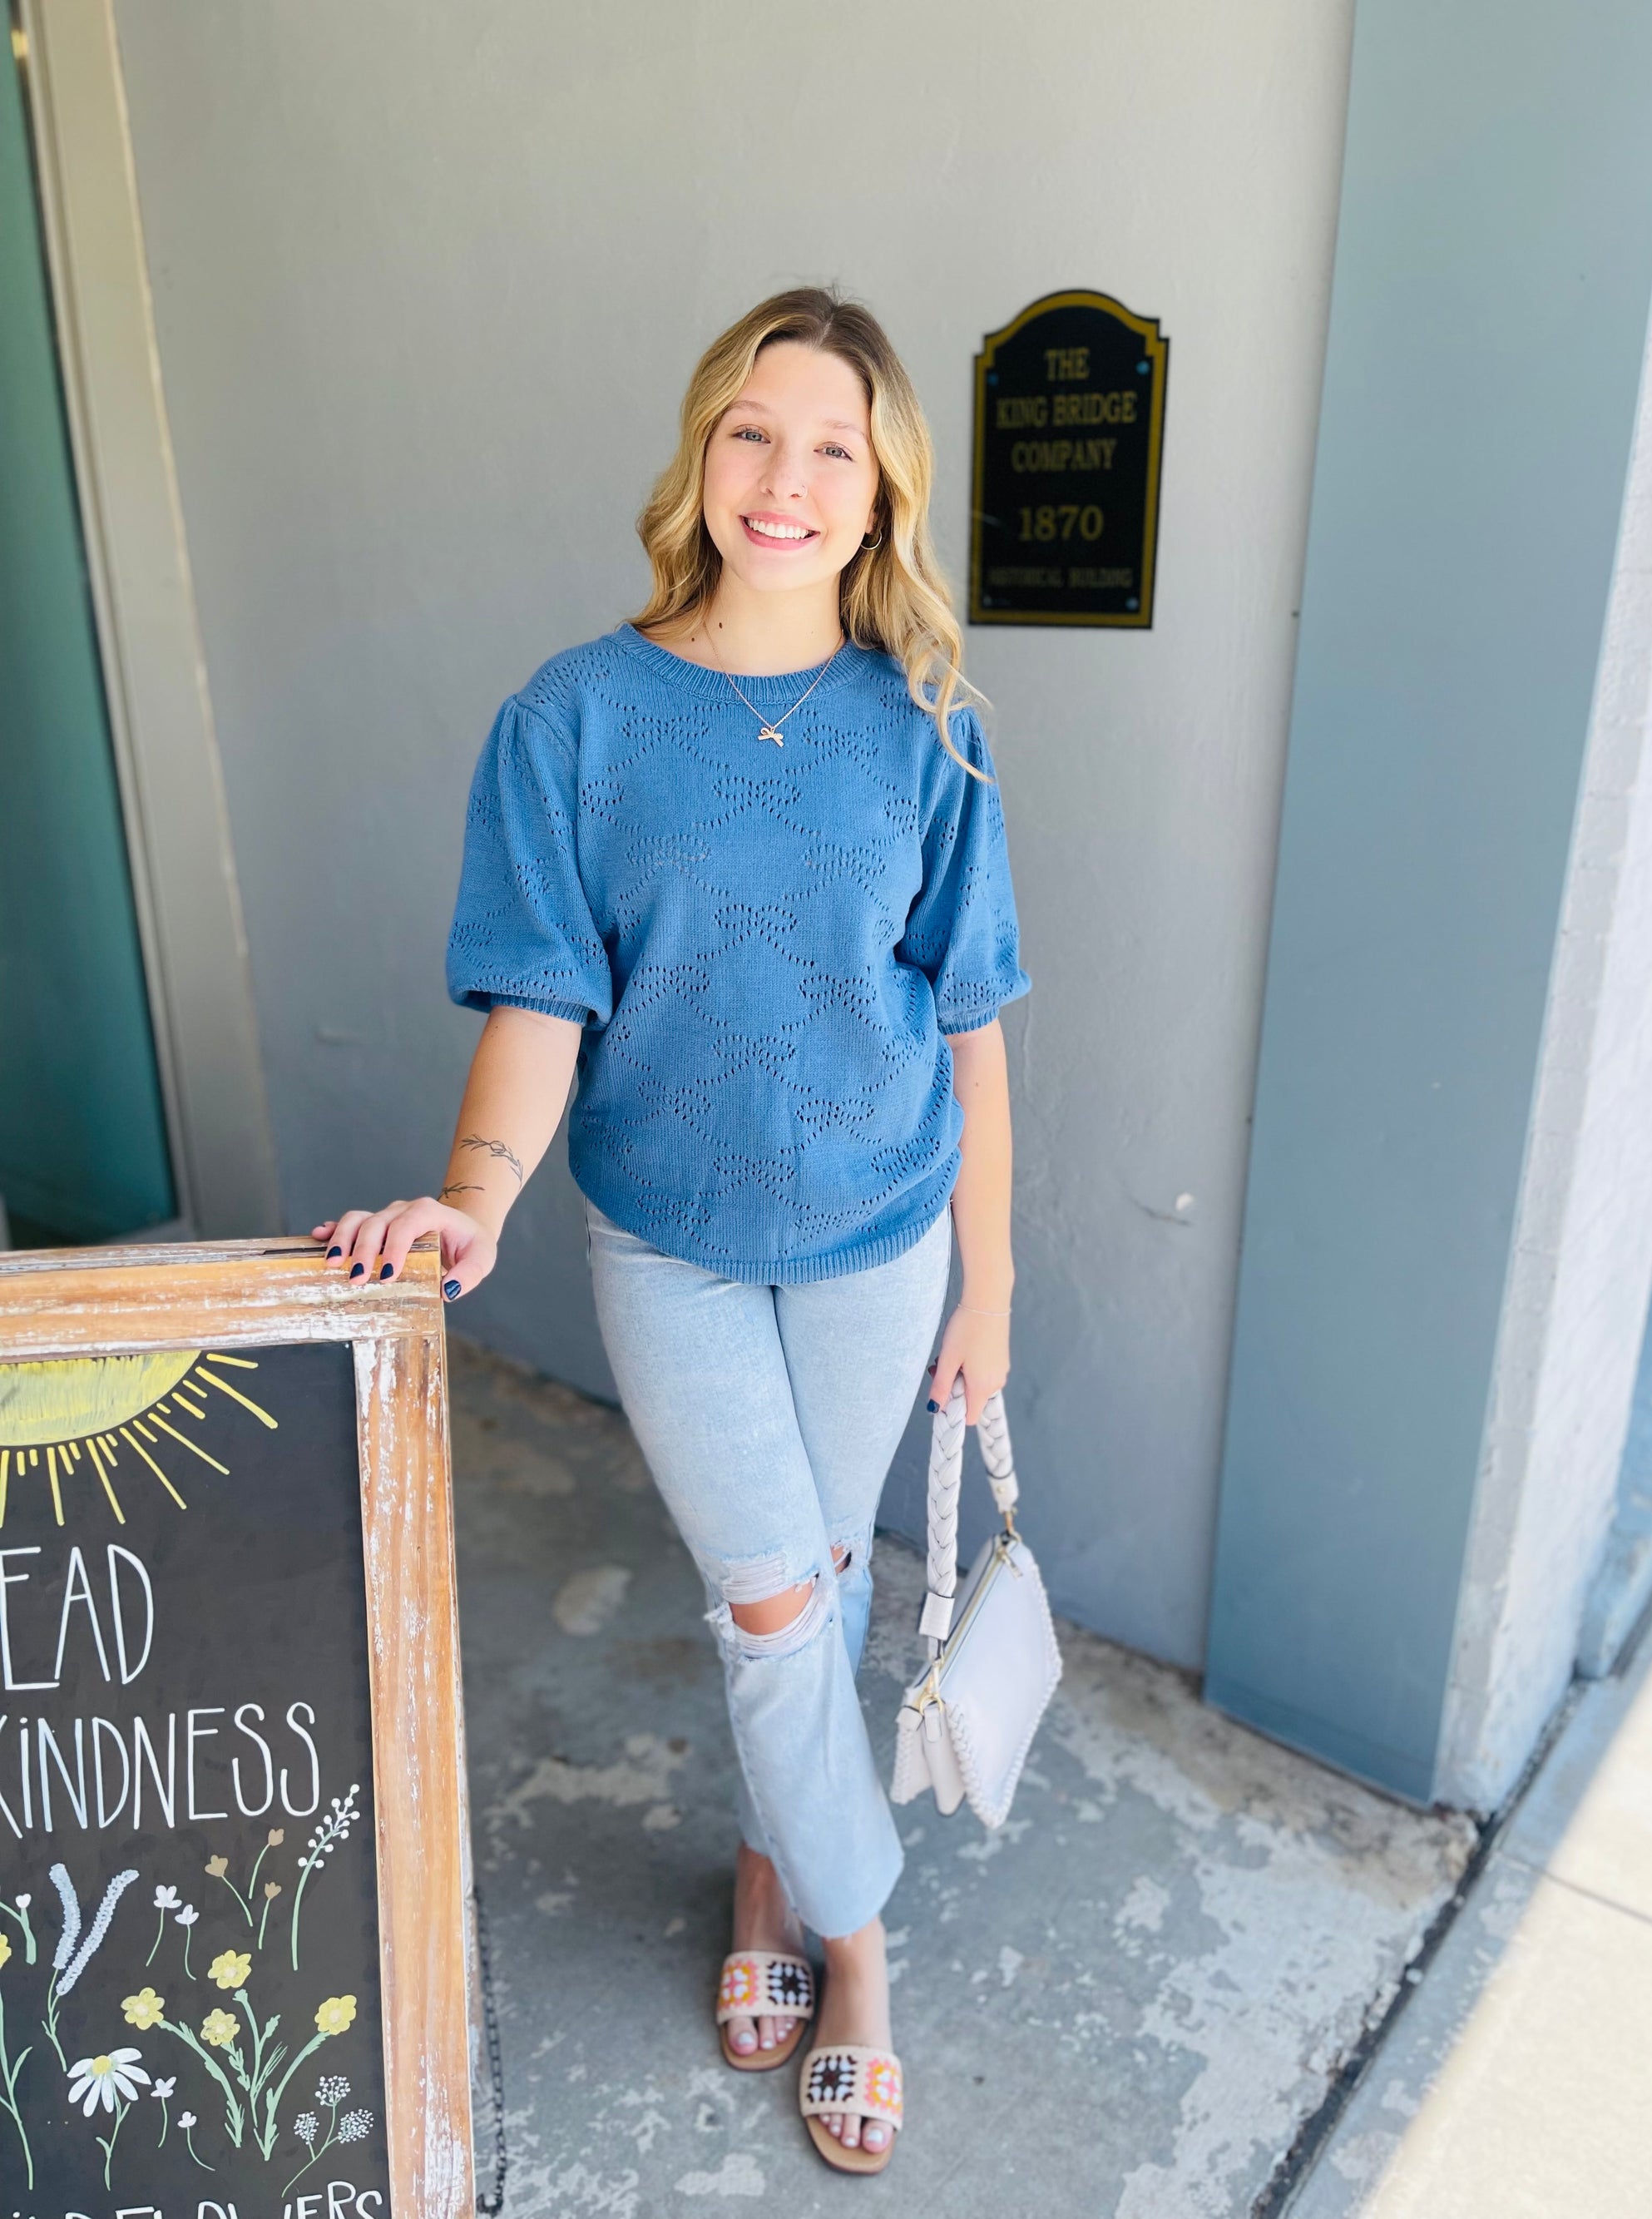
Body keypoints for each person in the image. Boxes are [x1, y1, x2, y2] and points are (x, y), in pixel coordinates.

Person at [314, 288, 1029, 2177]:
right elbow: (541, 998)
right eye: (750, 433)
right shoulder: (577, 717)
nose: (783, 479)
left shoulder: (929, 729)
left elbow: (973, 1025)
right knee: (783, 1595)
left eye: (829, 448)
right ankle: (858, 1956)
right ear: (699, 453)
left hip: (880, 1237)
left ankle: (764, 1876)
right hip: (675, 1245)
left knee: (818, 1585)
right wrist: (469, 1199)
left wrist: (994, 1281)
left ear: (879, 497)